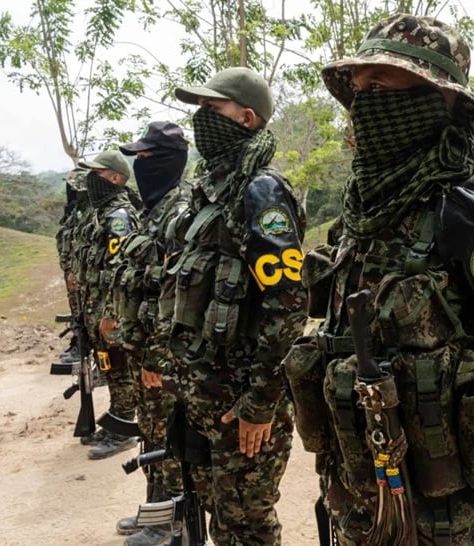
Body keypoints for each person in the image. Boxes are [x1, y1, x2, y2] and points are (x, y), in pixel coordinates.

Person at [286, 14, 474, 546]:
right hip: (359, 500)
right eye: (361, 87)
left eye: (383, 85)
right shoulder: (358, 216)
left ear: (440, 100)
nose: (366, 100)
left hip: (451, 521)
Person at [166, 66, 308, 545]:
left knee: (244, 527)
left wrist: (260, 402)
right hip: (206, 393)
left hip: (242, 401)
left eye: (212, 107)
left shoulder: (261, 191)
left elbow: (287, 306)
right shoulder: (210, 190)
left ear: (246, 118)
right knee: (216, 515)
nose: (201, 117)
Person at [111, 121, 193, 545]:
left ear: (168, 161)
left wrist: (158, 359)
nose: (140, 165)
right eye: (137, 158)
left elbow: (176, 295)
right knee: (151, 433)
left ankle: (170, 522)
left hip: (164, 359)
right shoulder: (151, 212)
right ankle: (155, 511)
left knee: (168, 439)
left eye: (146, 157)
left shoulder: (179, 214)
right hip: (146, 353)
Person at [75, 149, 142, 460]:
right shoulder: (99, 214)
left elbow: (122, 267)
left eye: (97, 173)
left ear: (116, 178)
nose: (91, 179)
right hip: (96, 310)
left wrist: (112, 314)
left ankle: (124, 429)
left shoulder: (119, 216)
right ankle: (116, 419)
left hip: (111, 313)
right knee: (109, 367)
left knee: (120, 368)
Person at [54, 167, 88, 365]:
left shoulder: (85, 214)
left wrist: (76, 271)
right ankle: (78, 344)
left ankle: (83, 348)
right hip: (71, 274)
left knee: (85, 316)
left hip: (82, 277)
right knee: (77, 314)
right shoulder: (71, 213)